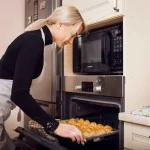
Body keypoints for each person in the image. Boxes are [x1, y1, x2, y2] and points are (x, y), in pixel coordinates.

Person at [0, 5, 87, 150]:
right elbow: (19, 94)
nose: (71, 41)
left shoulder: (36, 39)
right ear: (60, 24)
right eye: (73, 34)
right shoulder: (33, 41)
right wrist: (55, 126)